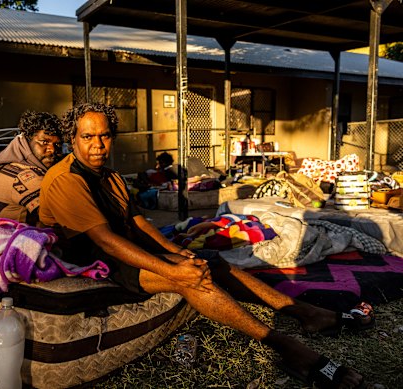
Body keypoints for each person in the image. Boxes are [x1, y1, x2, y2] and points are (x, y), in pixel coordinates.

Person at [39, 103, 369, 388]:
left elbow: (138, 223)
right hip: (93, 263)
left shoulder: (110, 177)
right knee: (193, 278)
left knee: (210, 261)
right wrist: (173, 268)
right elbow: (105, 241)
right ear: (72, 138)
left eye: (105, 135)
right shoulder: (66, 179)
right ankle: (289, 349)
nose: (98, 144)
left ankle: (307, 313)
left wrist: (178, 251)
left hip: (120, 250)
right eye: (88, 137)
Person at [0, 110, 62, 225]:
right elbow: (62, 219)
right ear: (27, 141)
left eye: (57, 144)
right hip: (26, 240)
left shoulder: (9, 166)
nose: (52, 149)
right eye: (44, 142)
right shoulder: (27, 177)